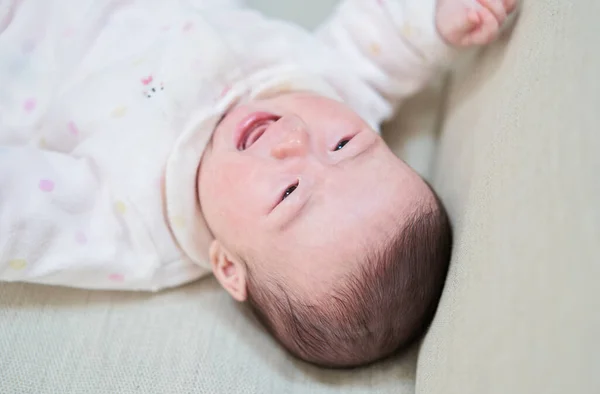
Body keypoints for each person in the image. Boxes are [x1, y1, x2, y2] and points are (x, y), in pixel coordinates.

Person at [0, 0, 516, 367]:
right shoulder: (332, 89)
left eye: (288, 193)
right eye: (344, 145)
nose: (293, 140)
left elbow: (22, 215)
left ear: (228, 265)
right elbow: (378, 43)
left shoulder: (133, 223)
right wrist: (436, 19)